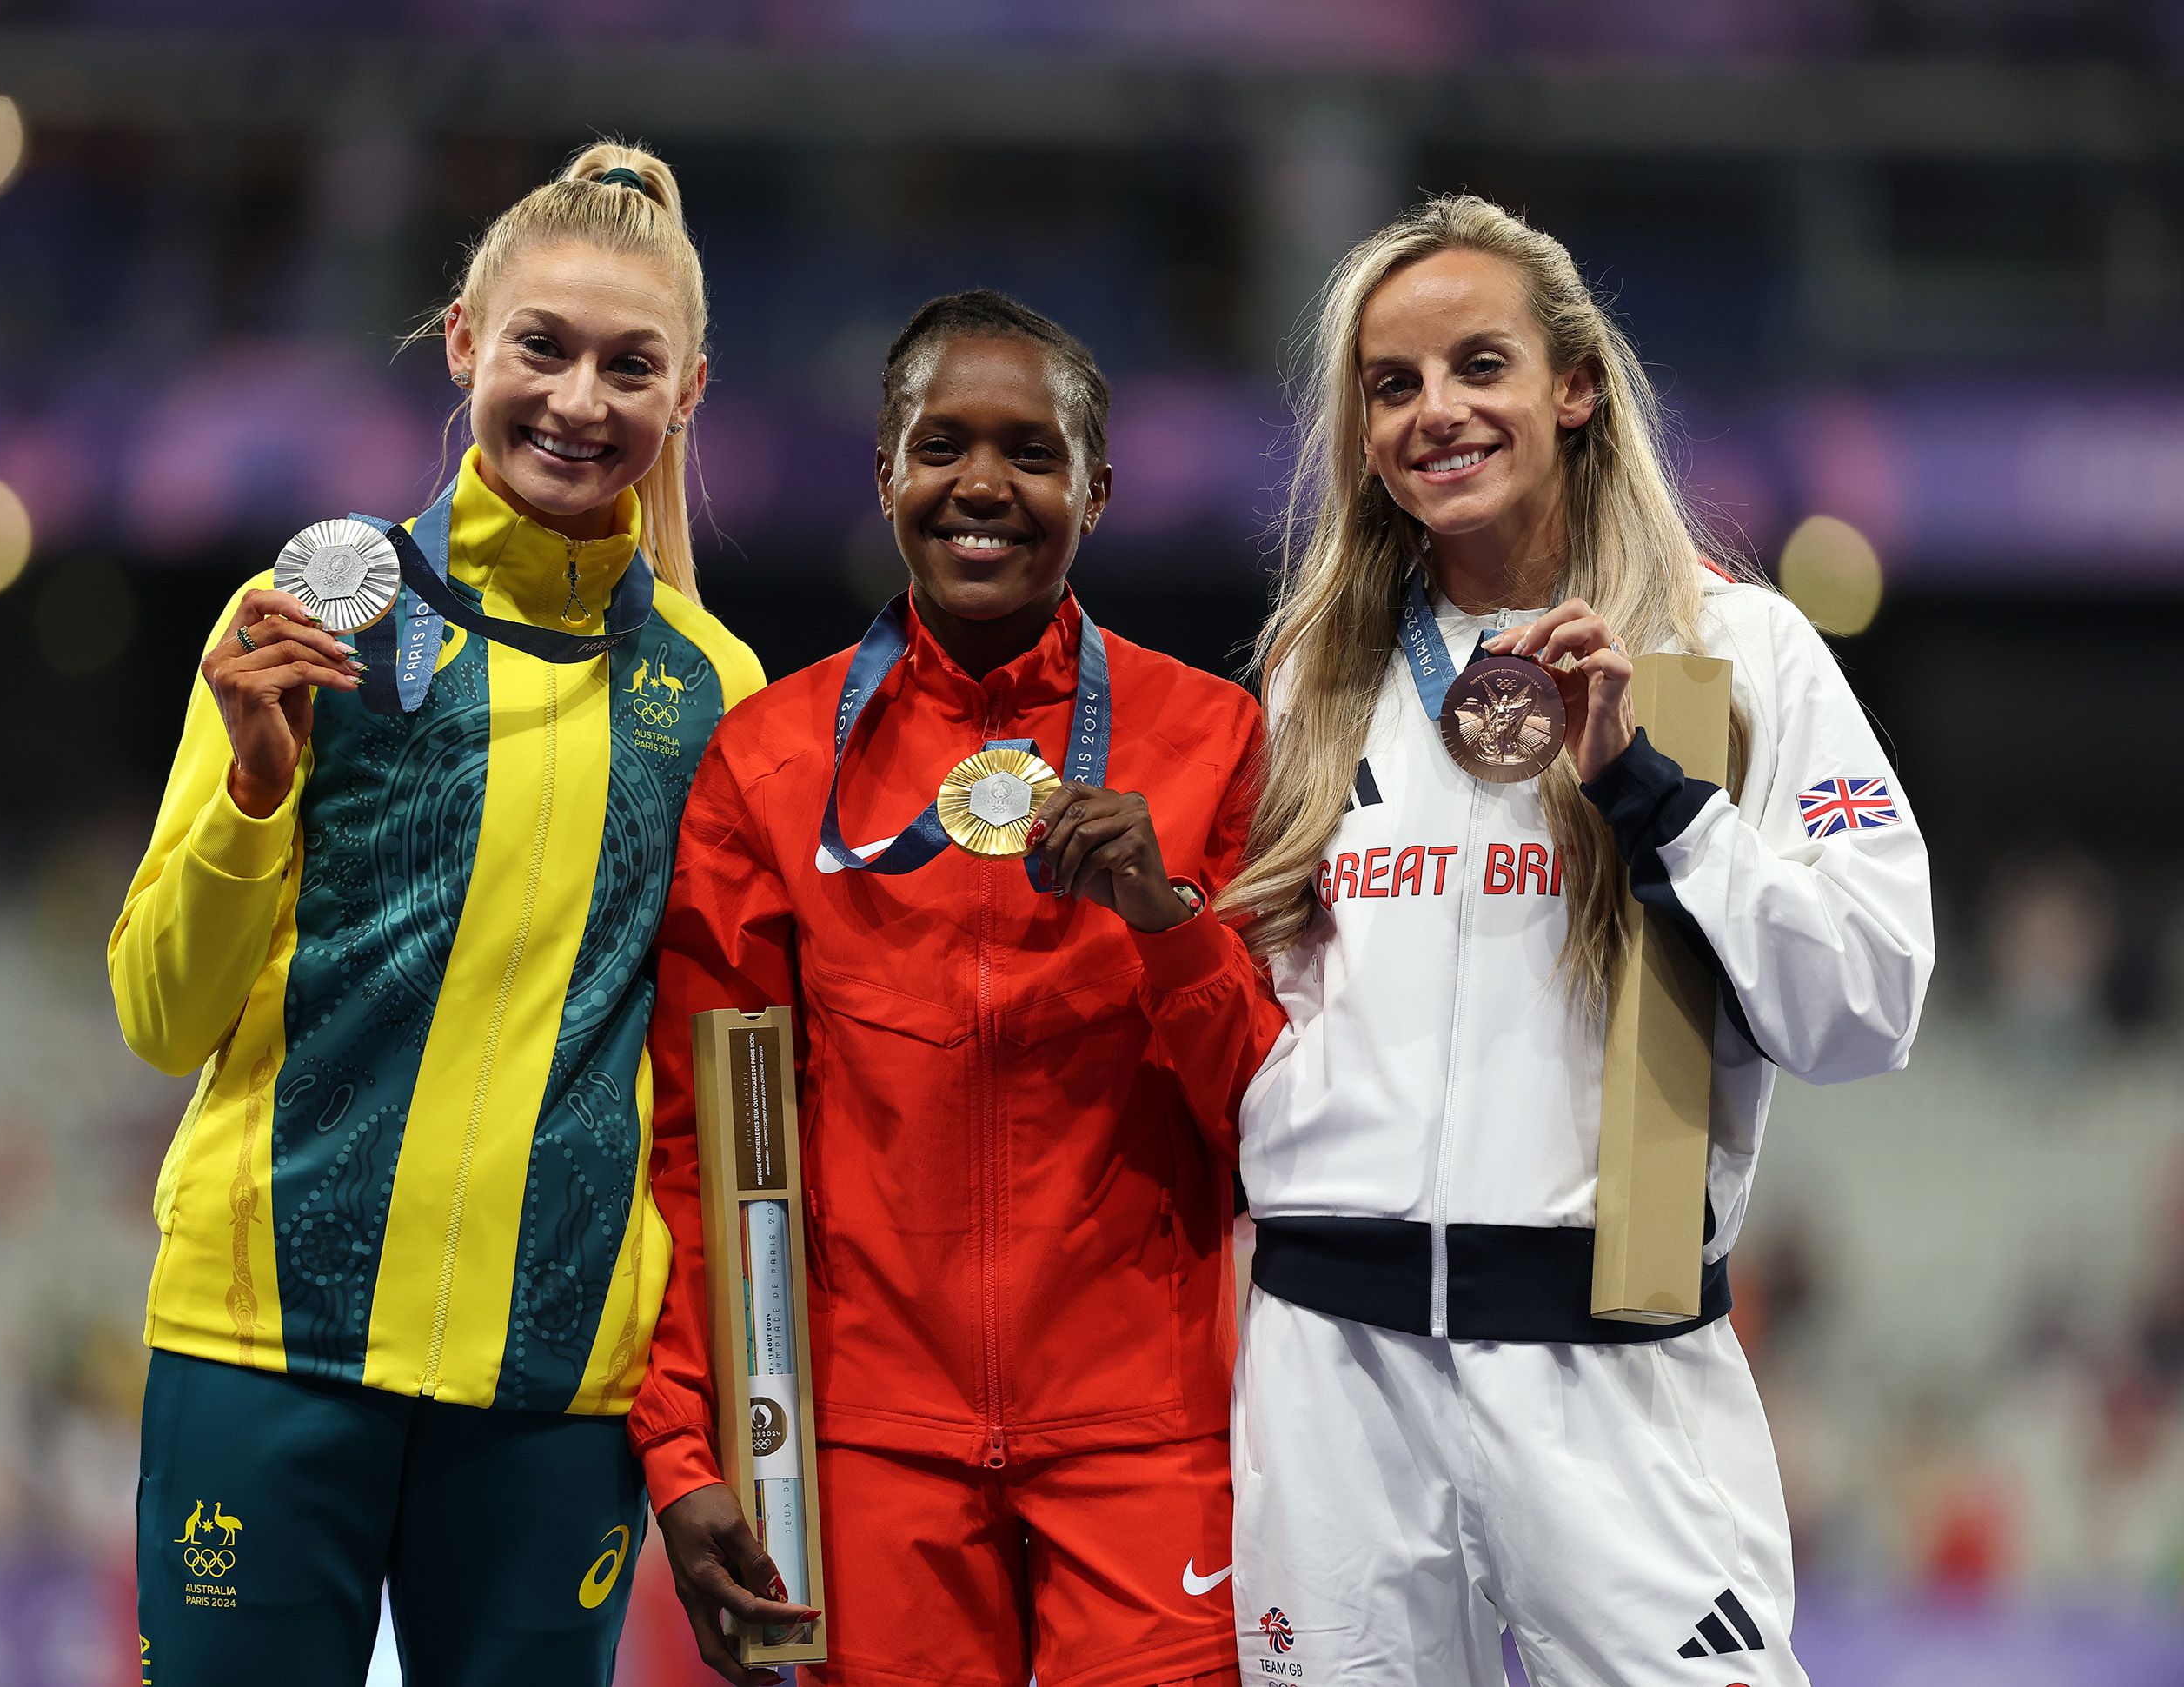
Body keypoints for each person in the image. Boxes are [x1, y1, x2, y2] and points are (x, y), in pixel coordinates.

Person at [1218, 193, 1935, 1685]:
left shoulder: (1734, 652)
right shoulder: (1313, 672)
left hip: (1609, 1372)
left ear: (1576, 385)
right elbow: (1273, 1011)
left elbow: (1869, 1001)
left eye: (1480, 364)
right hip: (1330, 1375)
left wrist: (1656, 796)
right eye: (1391, 384)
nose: (1437, 413)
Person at [108, 141, 765, 1687]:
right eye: (542, 346)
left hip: (551, 1393)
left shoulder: (712, 694)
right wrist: (256, 797)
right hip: (267, 1351)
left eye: (631, 365)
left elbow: (700, 1085)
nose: (579, 399)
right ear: (465, 338)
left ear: (689, 395)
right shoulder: (306, 623)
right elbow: (157, 1015)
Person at [629, 290, 1277, 1687]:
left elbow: (1278, 1122)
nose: (982, 484)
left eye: (1031, 453)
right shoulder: (772, 762)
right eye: (942, 445)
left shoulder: (1217, 743)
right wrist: (691, 1448)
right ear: (886, 474)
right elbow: (703, 1142)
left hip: (1148, 1442)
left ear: (1095, 490)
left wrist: (1171, 930)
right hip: (870, 1448)